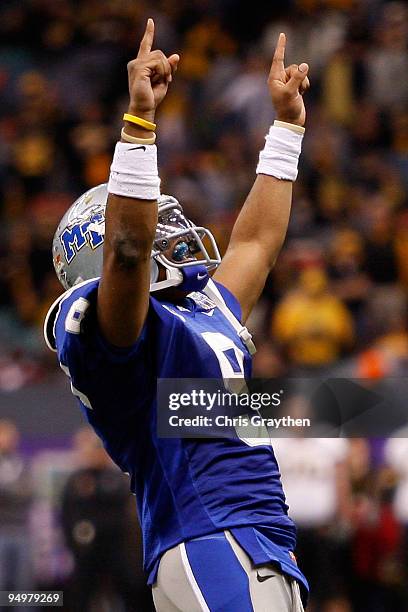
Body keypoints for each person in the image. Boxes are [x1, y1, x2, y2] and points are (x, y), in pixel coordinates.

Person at [44, 18, 310, 611]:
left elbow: (256, 245)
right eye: (158, 218)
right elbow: (130, 249)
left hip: (260, 534)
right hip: (209, 536)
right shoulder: (114, 330)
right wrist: (139, 126)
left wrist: (287, 129)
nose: (176, 232)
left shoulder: (199, 308)